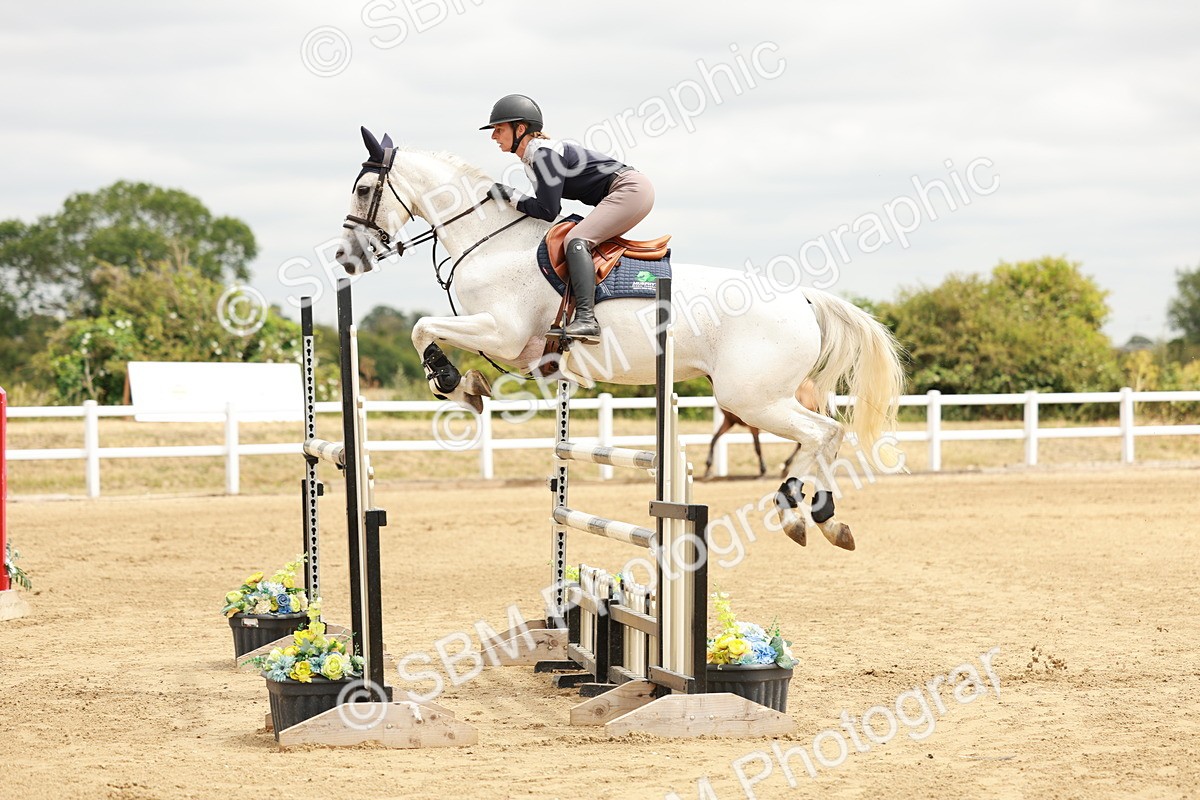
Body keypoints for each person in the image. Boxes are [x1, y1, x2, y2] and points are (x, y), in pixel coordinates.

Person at [481, 94, 655, 343]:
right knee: (574, 235)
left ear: (520, 129)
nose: (493, 136)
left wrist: (511, 196)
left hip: (629, 189)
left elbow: (547, 210)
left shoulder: (543, 155)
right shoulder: (535, 158)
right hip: (629, 190)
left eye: (499, 129)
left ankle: (587, 319)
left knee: (576, 240)